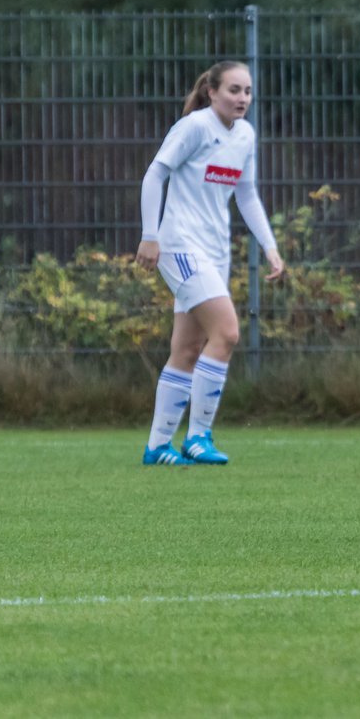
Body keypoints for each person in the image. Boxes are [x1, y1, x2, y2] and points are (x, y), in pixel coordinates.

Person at [134, 60, 285, 466]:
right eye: (234, 90)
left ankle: (157, 447)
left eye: (248, 91)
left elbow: (247, 195)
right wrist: (150, 235)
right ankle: (199, 437)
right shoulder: (195, 127)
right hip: (181, 245)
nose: (242, 99)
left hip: (215, 251)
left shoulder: (245, 135)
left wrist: (269, 246)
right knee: (228, 332)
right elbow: (155, 175)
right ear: (213, 91)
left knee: (186, 348)